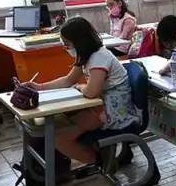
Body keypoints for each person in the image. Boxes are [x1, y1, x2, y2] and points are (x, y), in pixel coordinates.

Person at [21, 17, 139, 165]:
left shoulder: (100, 58)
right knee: (60, 123)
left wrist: (80, 87)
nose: (65, 48)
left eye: (67, 44)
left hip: (112, 112)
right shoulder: (87, 55)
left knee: (59, 138)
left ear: (80, 42)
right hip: (100, 106)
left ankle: (99, 161)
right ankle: (100, 154)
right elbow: (68, 80)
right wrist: (40, 87)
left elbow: (91, 92)